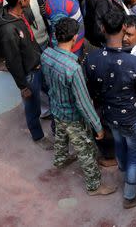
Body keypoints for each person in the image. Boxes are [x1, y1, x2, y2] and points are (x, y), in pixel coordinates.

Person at [85, 11, 136, 208]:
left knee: (119, 142)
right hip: (131, 116)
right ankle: (130, 196)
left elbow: (93, 91)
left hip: (108, 113)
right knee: (135, 156)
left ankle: (123, 168)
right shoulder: (135, 62)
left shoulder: (92, 59)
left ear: (102, 29)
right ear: (124, 28)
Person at [41, 18, 115, 196]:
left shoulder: (46, 55)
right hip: (73, 116)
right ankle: (94, 186)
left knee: (61, 136)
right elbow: (83, 102)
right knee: (86, 151)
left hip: (56, 108)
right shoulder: (72, 68)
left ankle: (60, 160)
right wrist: (97, 126)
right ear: (74, 38)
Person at [0, 0, 51, 149]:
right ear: (20, 1)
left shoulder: (21, 14)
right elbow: (12, 60)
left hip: (38, 65)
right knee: (32, 107)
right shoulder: (8, 30)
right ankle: (38, 136)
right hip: (29, 74)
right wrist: (23, 86)